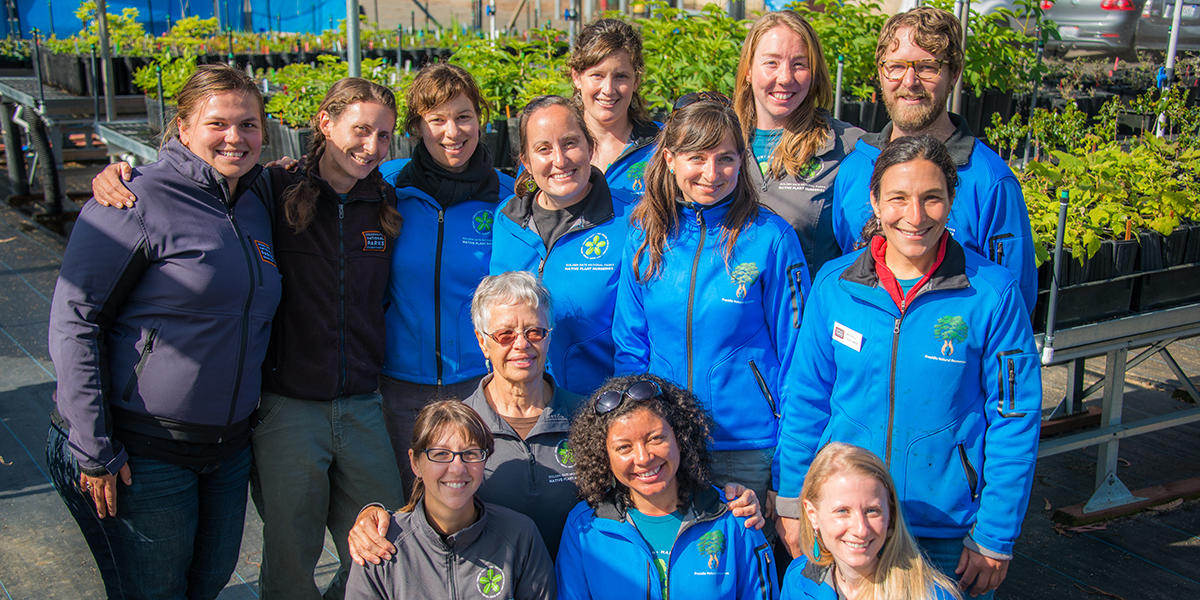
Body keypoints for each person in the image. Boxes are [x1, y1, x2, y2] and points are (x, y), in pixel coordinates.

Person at [87, 77, 409, 600]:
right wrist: (123, 175)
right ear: (325, 124)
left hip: (363, 405)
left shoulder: (388, 202)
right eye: (360, 130)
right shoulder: (272, 190)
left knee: (387, 545)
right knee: (289, 557)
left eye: (385, 136)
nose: (371, 147)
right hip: (288, 409)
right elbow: (203, 183)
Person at [46, 64, 282, 599]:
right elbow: (74, 319)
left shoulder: (256, 200)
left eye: (248, 124)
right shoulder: (133, 201)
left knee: (208, 582)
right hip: (141, 449)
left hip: (225, 448)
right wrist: (95, 447)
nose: (234, 137)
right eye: (217, 123)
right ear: (182, 127)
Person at [774, 135, 1041, 599]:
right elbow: (806, 401)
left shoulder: (991, 294)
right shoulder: (835, 286)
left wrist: (995, 534)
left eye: (931, 198)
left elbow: (1014, 418)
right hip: (851, 525)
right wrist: (795, 502)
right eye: (897, 198)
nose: (915, 217)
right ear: (875, 201)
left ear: (951, 201)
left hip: (944, 530)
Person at [347, 273, 764, 562]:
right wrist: (373, 517)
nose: (521, 345)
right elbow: (425, 510)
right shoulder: (455, 427)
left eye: (535, 332)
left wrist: (725, 498)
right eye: (505, 334)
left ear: (549, 336)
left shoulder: (592, 417)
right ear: (481, 341)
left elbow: (650, 480)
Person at [613, 95, 809, 504]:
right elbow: (630, 350)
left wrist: (789, 472)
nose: (711, 173)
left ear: (743, 161)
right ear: (670, 158)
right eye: (696, 158)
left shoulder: (771, 239)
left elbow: (799, 361)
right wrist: (637, 435)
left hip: (747, 448)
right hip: (666, 447)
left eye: (725, 159)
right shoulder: (644, 236)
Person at [829, 6, 1036, 310]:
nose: (910, 81)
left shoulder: (989, 182)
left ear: (953, 75)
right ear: (880, 73)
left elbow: (1014, 303)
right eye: (896, 66)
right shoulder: (856, 169)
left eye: (927, 67)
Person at [377, 63, 516, 491]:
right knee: (410, 506)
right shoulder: (388, 186)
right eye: (436, 119)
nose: (452, 132)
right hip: (401, 388)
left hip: (481, 384)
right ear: (417, 126)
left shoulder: (509, 196)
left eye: (463, 117)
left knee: (478, 501)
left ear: (480, 119)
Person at [556, 375, 778, 599]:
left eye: (655, 438)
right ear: (604, 457)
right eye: (624, 447)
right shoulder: (584, 528)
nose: (643, 458)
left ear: (680, 438)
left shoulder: (736, 519)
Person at [343, 400, 555, 599]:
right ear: (415, 462)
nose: (457, 467)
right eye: (441, 454)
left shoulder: (520, 536)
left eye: (471, 453)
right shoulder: (378, 545)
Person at [490, 96, 631, 396]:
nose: (559, 160)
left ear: (590, 147)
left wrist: (625, 402)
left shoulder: (631, 218)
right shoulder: (507, 221)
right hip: (526, 406)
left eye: (569, 143)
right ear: (526, 162)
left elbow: (642, 331)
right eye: (543, 149)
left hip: (602, 407)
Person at [734, 10, 863, 276]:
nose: (785, 78)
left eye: (799, 64)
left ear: (815, 73)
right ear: (748, 70)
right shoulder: (720, 141)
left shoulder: (847, 149)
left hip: (804, 314)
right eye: (771, 63)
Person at [780, 443, 961, 600]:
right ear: (812, 514)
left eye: (872, 511)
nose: (861, 529)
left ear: (890, 514)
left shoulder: (931, 595)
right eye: (842, 511)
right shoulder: (798, 579)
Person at [568, 18, 660, 204]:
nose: (608, 89)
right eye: (597, 76)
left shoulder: (662, 144)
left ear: (636, 81)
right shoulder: (553, 148)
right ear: (577, 77)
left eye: (621, 76)